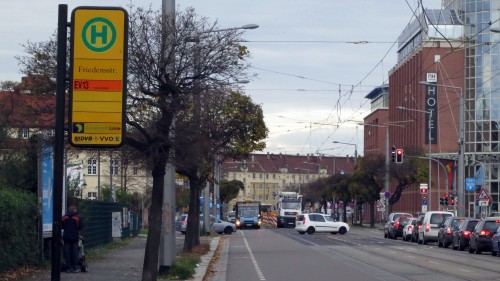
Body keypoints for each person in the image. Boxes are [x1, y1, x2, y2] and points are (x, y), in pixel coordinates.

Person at [62, 205, 84, 273]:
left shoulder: (64, 218)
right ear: (75, 210)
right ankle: (75, 267)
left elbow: (62, 226)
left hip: (66, 238)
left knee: (67, 253)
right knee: (75, 252)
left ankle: (69, 267)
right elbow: (80, 227)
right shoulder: (77, 218)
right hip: (75, 238)